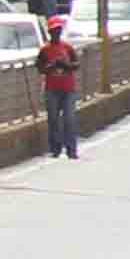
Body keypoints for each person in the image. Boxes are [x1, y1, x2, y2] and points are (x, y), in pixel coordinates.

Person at [34, 17, 83, 160]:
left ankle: (71, 149)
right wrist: (52, 66)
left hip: (68, 90)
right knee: (53, 119)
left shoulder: (67, 48)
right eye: (54, 31)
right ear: (49, 32)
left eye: (58, 30)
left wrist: (66, 65)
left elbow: (76, 65)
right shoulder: (45, 50)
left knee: (69, 119)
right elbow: (40, 68)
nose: (56, 33)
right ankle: (55, 148)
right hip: (52, 90)